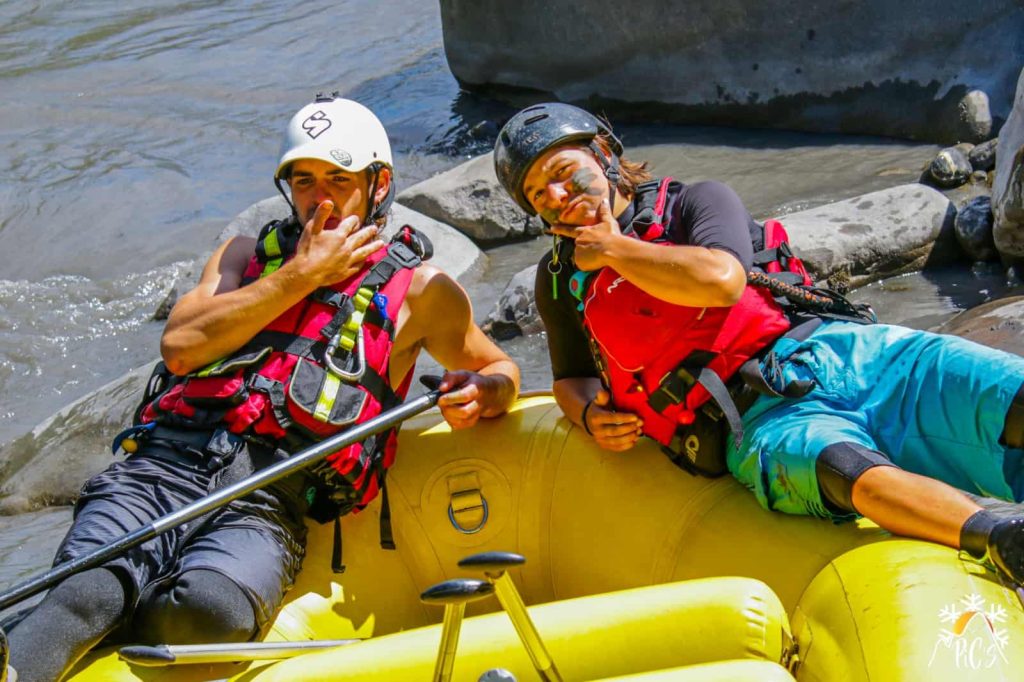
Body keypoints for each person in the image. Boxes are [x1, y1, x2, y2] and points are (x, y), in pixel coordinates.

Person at [3, 95, 519, 682]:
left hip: (272, 497)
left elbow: (499, 367)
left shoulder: (423, 292)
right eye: (303, 180)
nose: (318, 196)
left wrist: (486, 390)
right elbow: (182, 345)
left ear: (379, 185)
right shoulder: (245, 257)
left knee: (207, 615)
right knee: (88, 595)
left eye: (338, 178)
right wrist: (303, 274)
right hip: (163, 466)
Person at [492, 102, 1024, 589]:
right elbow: (570, 378)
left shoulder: (697, 201)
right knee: (844, 468)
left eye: (563, 174)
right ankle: (999, 540)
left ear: (604, 156)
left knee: (1011, 398)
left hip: (840, 354)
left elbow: (722, 280)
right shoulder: (560, 280)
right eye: (539, 194)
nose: (558, 197)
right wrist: (588, 415)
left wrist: (612, 249)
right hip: (751, 418)